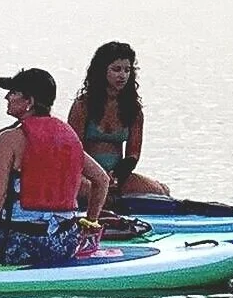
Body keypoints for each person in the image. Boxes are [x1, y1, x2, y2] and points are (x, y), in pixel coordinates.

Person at [0, 69, 110, 268]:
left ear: (29, 102)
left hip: (18, 246)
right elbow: (102, 180)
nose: (7, 97)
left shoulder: (9, 139)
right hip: (64, 244)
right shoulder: (68, 136)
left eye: (13, 92)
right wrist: (90, 224)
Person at [66, 42, 170, 202]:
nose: (122, 75)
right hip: (85, 174)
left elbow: (133, 154)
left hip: (118, 175)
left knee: (160, 193)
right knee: (94, 192)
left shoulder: (134, 110)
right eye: (116, 69)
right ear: (102, 71)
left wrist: (117, 175)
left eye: (127, 70)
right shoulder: (83, 106)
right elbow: (74, 149)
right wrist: (98, 175)